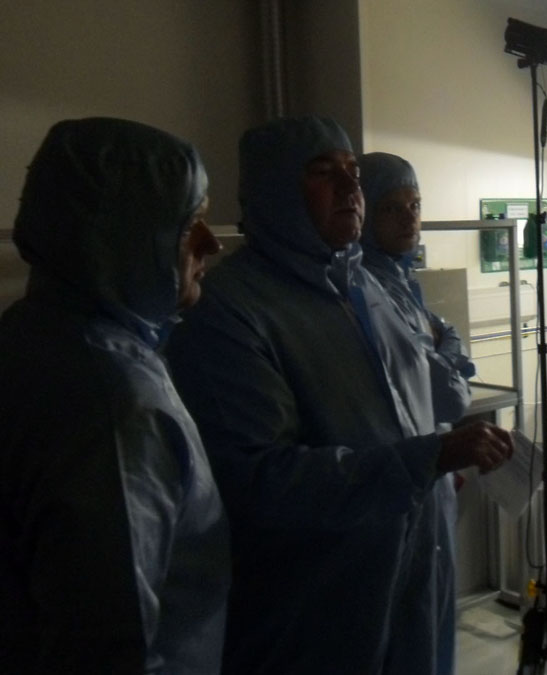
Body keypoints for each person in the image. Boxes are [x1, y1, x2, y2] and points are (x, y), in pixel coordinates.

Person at [163, 116, 513, 674]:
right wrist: (427, 459)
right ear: (277, 189)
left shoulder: (366, 287)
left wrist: (436, 465)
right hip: (320, 607)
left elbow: (413, 407)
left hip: (416, 573)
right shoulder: (230, 313)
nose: (352, 188)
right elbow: (262, 480)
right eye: (324, 173)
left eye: (353, 172)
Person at [0, 117, 228, 673]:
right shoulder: (116, 407)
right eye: (189, 224)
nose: (212, 243)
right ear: (124, 236)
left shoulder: (29, 336)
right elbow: (110, 643)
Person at [359, 151, 474, 675]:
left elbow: (445, 338)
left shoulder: (404, 281)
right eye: (391, 207)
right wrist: (446, 354)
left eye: (415, 205)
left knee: (433, 614)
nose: (409, 218)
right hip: (397, 480)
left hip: (430, 468)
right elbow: (449, 393)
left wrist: (442, 350)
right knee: (407, 628)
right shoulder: (364, 288)